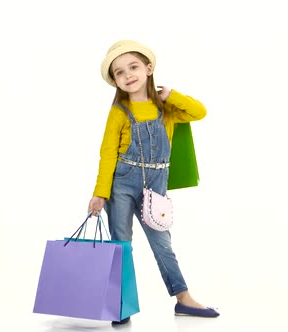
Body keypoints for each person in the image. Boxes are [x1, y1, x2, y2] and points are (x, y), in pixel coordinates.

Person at [87, 40, 220, 324]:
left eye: (133, 67)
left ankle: (183, 299)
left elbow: (199, 112)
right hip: (121, 183)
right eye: (119, 73)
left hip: (154, 185)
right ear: (115, 81)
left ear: (149, 69)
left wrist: (172, 94)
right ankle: (120, 305)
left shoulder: (166, 107)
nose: (128, 75)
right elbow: (108, 153)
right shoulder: (119, 113)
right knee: (121, 243)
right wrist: (100, 193)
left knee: (162, 243)